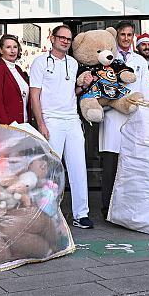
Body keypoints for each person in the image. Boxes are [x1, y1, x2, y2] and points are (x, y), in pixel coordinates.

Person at [30, 25, 94, 229]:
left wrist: (82, 86)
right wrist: (41, 123)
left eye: (68, 38)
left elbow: (70, 92)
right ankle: (48, 213)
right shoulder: (40, 62)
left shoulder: (73, 63)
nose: (65, 41)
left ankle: (81, 214)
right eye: (62, 37)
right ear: (52, 38)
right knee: (51, 170)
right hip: (51, 120)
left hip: (72, 119)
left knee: (78, 167)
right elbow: (34, 95)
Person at [99, 22, 149, 218]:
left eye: (129, 35)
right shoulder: (106, 59)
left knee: (132, 165)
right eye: (122, 34)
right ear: (117, 37)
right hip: (112, 118)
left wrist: (147, 118)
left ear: (134, 37)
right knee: (110, 167)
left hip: (133, 118)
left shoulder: (139, 61)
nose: (126, 38)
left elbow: (146, 92)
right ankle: (107, 208)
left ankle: (128, 208)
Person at [0, 34, 30, 124]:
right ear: (1, 50)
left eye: (15, 47)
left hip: (23, 125)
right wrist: (6, 127)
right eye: (8, 47)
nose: (12, 51)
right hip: (7, 127)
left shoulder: (18, 69)